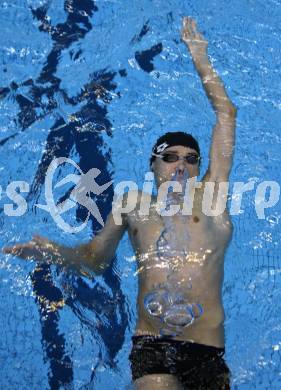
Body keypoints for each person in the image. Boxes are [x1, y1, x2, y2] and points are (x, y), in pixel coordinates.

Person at [3, 17, 237, 389]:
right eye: (171, 157)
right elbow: (96, 260)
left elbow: (227, 115)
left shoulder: (212, 198)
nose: (181, 164)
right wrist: (55, 252)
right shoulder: (132, 204)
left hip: (206, 348)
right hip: (152, 344)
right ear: (154, 166)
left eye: (191, 158)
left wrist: (200, 59)